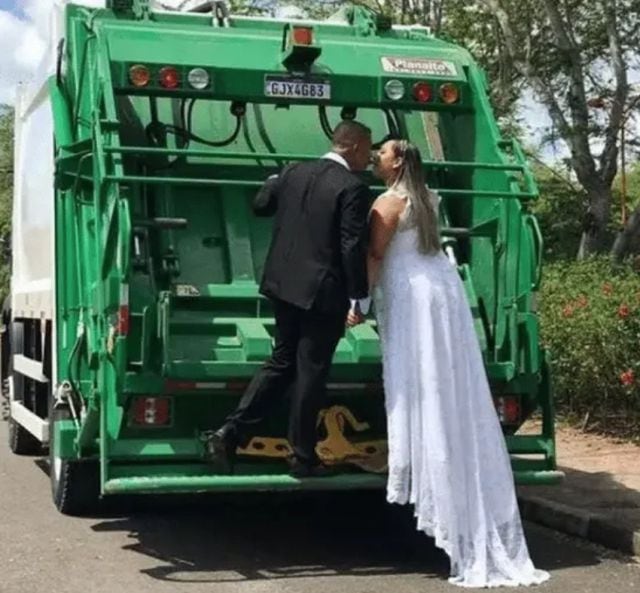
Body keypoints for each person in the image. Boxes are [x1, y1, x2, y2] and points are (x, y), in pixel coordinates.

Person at [361, 139, 550, 588]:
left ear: (399, 161)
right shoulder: (430, 198)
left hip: (411, 292)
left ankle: (438, 489)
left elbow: (375, 255)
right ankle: (459, 498)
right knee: (445, 381)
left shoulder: (388, 202)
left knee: (420, 381)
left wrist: (362, 300)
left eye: (382, 153)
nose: (376, 158)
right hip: (442, 288)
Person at [206, 121, 373, 478]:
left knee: (282, 361)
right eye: (368, 150)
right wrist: (360, 296)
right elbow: (350, 245)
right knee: (310, 371)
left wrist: (273, 181)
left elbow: (261, 206)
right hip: (322, 292)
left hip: (282, 285)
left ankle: (229, 433)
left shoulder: (293, 171)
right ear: (354, 147)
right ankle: (301, 456)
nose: (369, 158)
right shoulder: (352, 187)